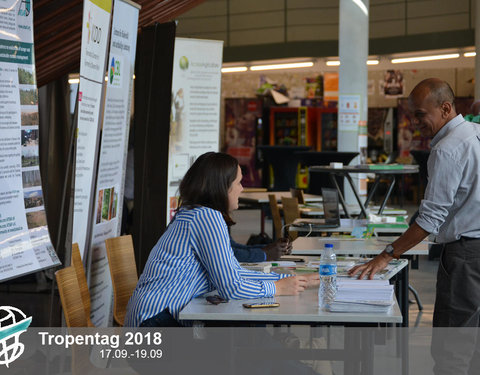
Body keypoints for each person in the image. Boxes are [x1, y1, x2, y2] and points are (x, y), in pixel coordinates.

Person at [349, 78, 480, 374]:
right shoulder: (476, 135)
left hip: (465, 258)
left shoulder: (447, 149)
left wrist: (386, 255)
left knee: (452, 348)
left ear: (445, 108)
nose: (415, 122)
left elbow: (431, 218)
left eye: (420, 115)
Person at [124, 152, 319, 327]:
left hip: (150, 319)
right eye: (239, 183)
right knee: (243, 344)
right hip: (154, 323)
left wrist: (291, 281)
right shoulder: (207, 217)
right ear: (222, 187)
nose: (242, 189)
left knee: (246, 341)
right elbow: (232, 287)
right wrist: (276, 287)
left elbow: (234, 273)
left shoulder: (194, 213)